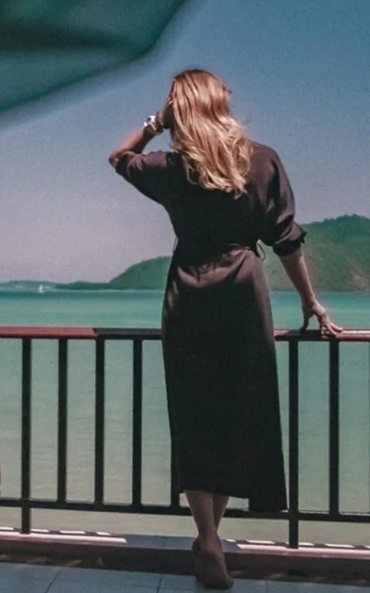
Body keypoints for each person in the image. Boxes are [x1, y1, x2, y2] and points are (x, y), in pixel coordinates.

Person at [108, 69, 342, 589]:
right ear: (222, 103)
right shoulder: (261, 160)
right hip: (243, 293)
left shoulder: (171, 167)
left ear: (179, 111)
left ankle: (207, 537)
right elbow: (286, 240)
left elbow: (117, 158)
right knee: (237, 411)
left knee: (195, 415)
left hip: (187, 295)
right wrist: (312, 302)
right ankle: (217, 533)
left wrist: (152, 124)